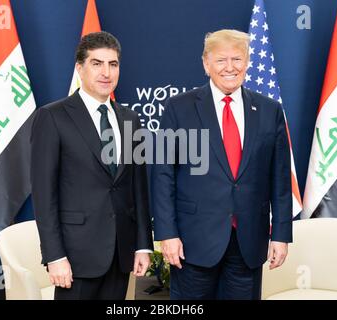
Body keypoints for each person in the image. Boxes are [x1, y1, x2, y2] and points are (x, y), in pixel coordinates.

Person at [151, 29, 292, 300]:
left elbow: (280, 180)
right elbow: (163, 175)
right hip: (193, 243)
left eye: (237, 59)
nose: (230, 68)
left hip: (248, 242)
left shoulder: (269, 109)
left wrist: (281, 235)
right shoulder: (178, 108)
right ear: (206, 64)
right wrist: (167, 234)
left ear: (248, 62)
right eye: (221, 60)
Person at [31, 31, 153, 300]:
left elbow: (138, 188)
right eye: (96, 63)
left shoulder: (130, 119)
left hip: (121, 254)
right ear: (80, 68)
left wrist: (143, 244)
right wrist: (55, 256)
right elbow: (44, 194)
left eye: (113, 64)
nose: (106, 72)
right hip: (75, 258)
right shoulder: (52, 117)